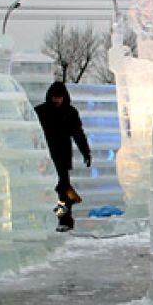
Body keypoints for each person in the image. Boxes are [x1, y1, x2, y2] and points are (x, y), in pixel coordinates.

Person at [34, 81, 91, 232]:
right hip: (44, 158)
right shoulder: (40, 111)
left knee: (63, 192)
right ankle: (45, 218)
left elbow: (78, 134)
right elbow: (31, 133)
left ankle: (63, 219)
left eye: (59, 97)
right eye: (54, 97)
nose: (57, 100)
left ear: (64, 97)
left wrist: (86, 152)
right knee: (45, 190)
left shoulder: (70, 112)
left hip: (62, 158)